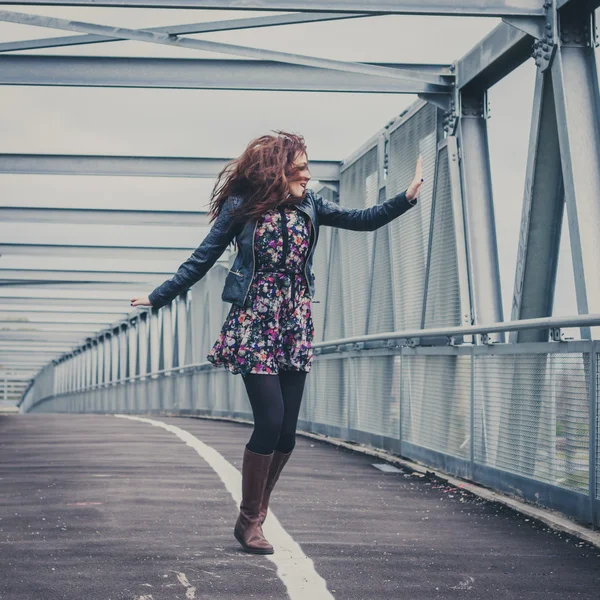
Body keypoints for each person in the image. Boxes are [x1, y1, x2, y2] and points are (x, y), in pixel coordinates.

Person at [130, 131, 423, 555]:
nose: (308, 175)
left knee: (286, 433)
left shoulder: (311, 204)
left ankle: (257, 513)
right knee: (269, 420)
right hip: (255, 320)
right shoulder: (241, 207)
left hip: (294, 321)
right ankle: (250, 522)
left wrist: (406, 197)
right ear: (276, 170)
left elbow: (364, 219)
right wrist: (158, 295)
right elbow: (201, 259)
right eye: (300, 167)